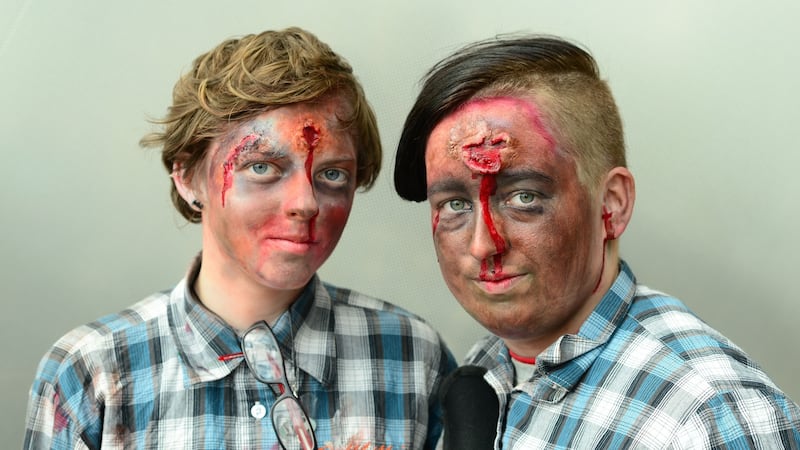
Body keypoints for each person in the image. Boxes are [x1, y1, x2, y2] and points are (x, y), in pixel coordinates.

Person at [25, 27, 455, 449]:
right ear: (187, 177)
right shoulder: (92, 374)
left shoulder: (413, 359)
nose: (306, 203)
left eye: (332, 174)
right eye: (262, 167)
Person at [394, 34, 800, 448]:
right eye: (456, 204)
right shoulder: (487, 367)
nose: (484, 245)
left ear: (612, 204)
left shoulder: (709, 417)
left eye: (525, 197)